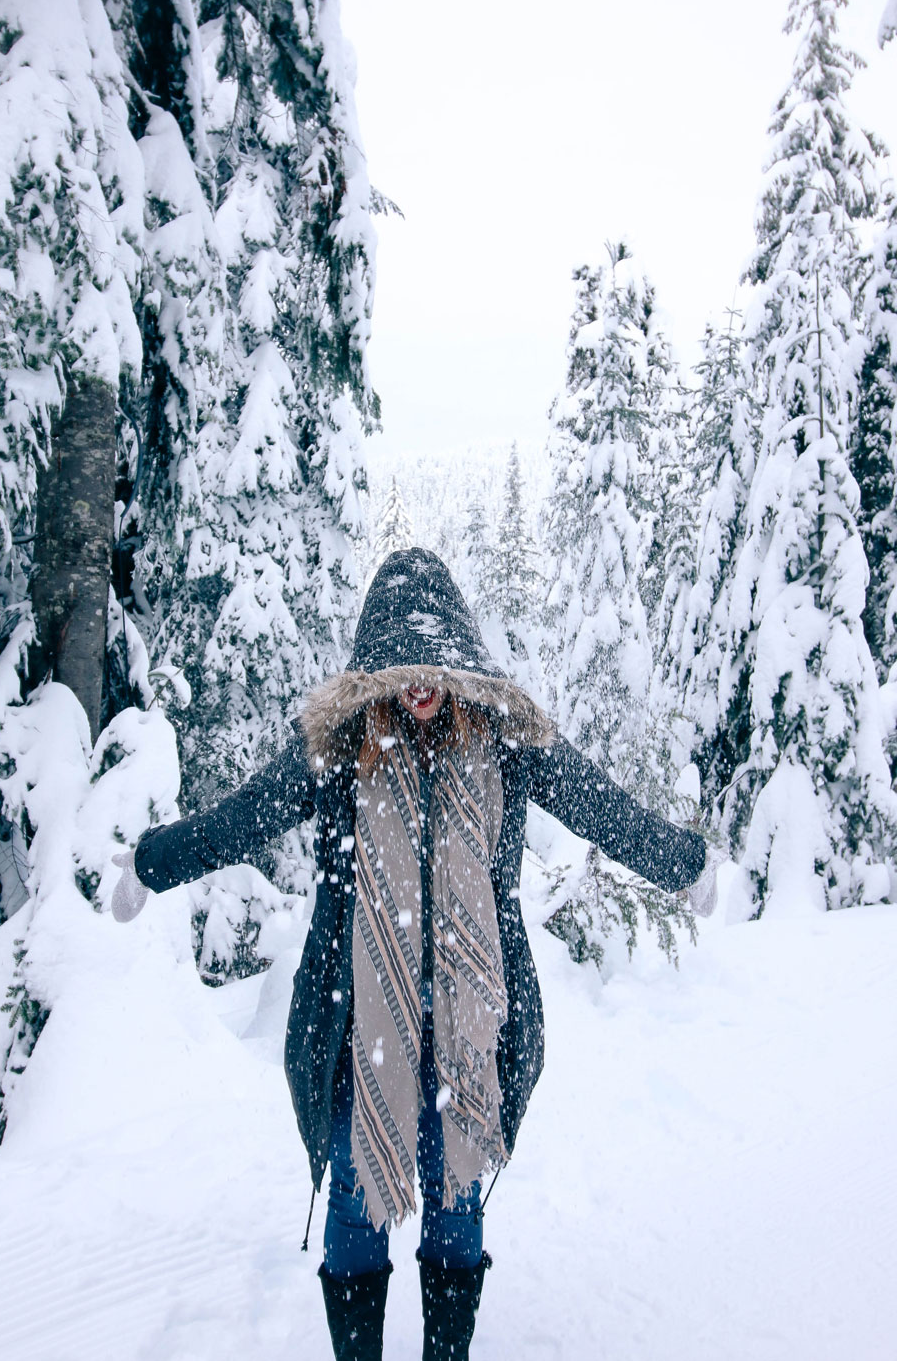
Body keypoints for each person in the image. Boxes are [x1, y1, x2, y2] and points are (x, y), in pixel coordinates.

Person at [111, 549, 708, 1361]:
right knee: (358, 1203)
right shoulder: (337, 752)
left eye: (433, 668)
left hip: (471, 1029)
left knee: (457, 1200)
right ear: (374, 673)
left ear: (458, 663)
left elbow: (600, 805)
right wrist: (155, 863)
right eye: (400, 669)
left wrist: (682, 863)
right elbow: (242, 818)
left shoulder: (506, 745)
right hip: (362, 1024)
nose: (419, 685)